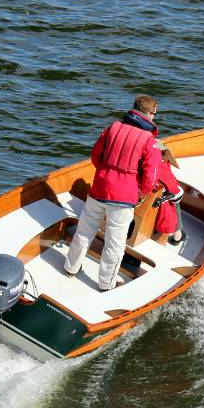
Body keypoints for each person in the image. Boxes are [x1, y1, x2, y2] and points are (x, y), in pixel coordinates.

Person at [64, 95, 162, 291]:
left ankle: (70, 268)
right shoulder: (149, 140)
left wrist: (104, 173)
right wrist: (142, 194)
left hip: (99, 189)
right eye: (155, 114)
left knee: (84, 231)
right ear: (148, 114)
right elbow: (151, 175)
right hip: (123, 198)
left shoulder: (113, 128)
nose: (155, 118)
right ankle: (106, 283)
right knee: (114, 243)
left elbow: (95, 155)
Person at [154, 141, 185, 245]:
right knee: (175, 200)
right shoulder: (161, 167)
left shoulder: (140, 162)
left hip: (140, 199)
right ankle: (177, 235)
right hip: (156, 205)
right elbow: (177, 195)